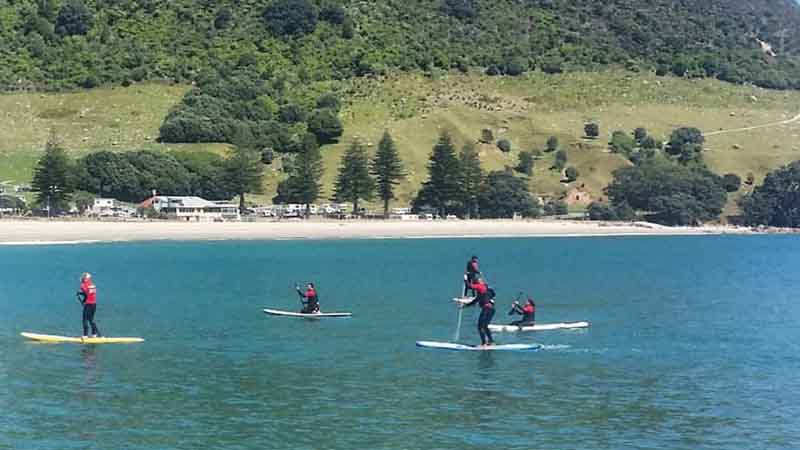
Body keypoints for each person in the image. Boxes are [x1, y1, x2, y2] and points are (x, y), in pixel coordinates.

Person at [461, 278, 495, 346]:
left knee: (480, 326)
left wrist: (465, 279)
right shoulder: (483, 291)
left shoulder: (480, 286)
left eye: (476, 282)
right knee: (485, 326)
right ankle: (491, 342)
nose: (475, 284)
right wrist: (465, 306)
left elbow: (469, 286)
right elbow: (475, 301)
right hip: (491, 309)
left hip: (486, 309)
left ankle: (484, 343)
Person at [76, 272, 101, 338]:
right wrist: (81, 294)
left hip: (88, 304)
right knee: (91, 319)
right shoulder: (92, 284)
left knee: (85, 320)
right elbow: (90, 294)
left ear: (85, 278)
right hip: (94, 304)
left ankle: (85, 335)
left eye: (83, 278)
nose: (82, 279)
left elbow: (86, 295)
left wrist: (80, 295)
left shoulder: (83, 285)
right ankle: (94, 334)